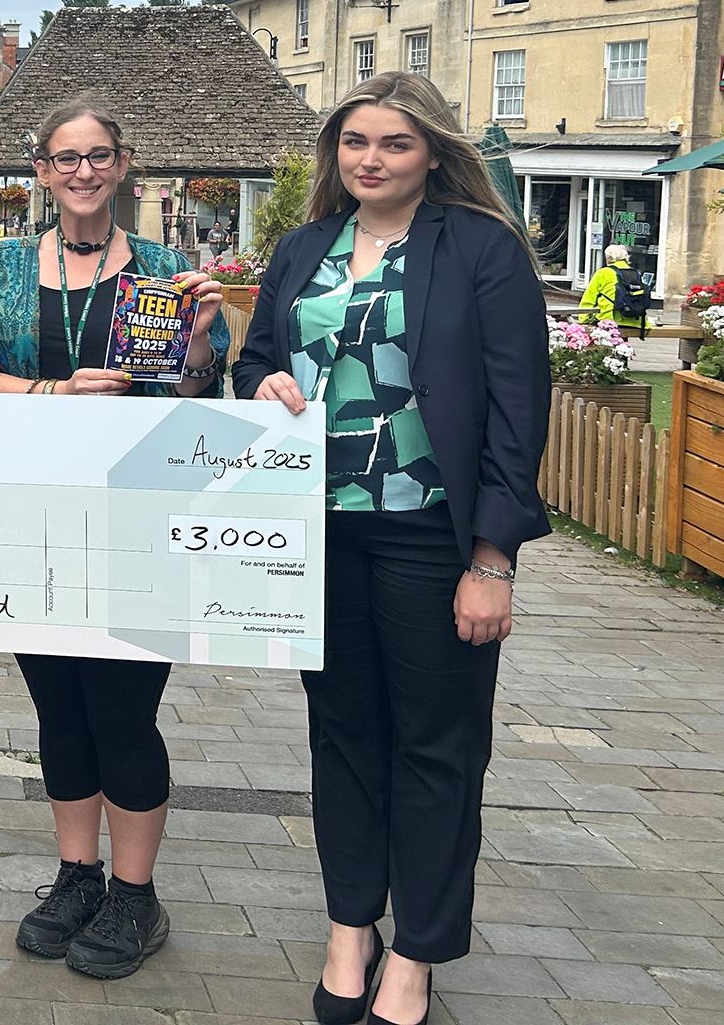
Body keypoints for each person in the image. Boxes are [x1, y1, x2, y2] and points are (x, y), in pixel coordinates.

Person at [233, 72, 549, 1025]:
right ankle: (350, 929)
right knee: (341, 736)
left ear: (433, 154)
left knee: (436, 745)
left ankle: (416, 953)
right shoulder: (304, 246)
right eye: (355, 141)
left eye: (394, 144)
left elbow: (518, 413)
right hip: (316, 531)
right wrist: (261, 385)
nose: (369, 160)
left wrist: (492, 561)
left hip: (429, 534)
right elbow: (257, 360)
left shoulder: (482, 249)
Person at [0, 96, 228, 982]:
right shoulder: (5, 269)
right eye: (66, 158)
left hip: (140, 522)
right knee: (59, 709)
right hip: (36, 522)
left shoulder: (169, 271)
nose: (84, 172)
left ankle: (136, 895)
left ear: (122, 164)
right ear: (42, 171)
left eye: (99, 156)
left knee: (123, 713)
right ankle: (77, 876)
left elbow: (202, 399)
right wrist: (51, 394)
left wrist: (202, 342)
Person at [579, 243, 652, 337]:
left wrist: (583, 319)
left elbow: (588, 299)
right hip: (636, 321)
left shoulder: (603, 273)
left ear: (609, 258)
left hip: (608, 321)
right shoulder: (635, 273)